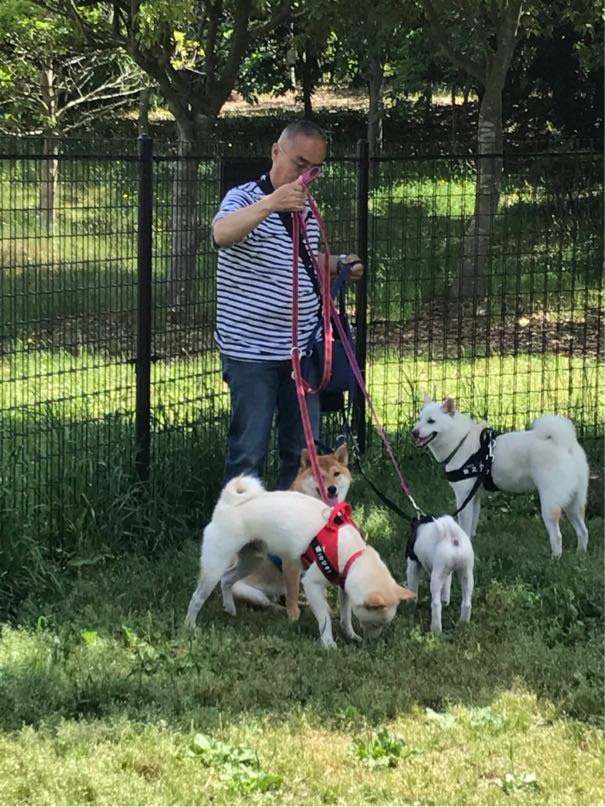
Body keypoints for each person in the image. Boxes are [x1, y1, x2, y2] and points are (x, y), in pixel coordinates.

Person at [212, 119, 364, 490]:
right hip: (252, 352)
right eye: (300, 164)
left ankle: (292, 522)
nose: (306, 176)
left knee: (303, 453)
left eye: (315, 169)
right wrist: (271, 203)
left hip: (301, 350)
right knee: (248, 451)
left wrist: (338, 264)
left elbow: (301, 260)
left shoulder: (306, 207)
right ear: (275, 152)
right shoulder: (243, 198)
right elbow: (220, 234)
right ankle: (240, 523)